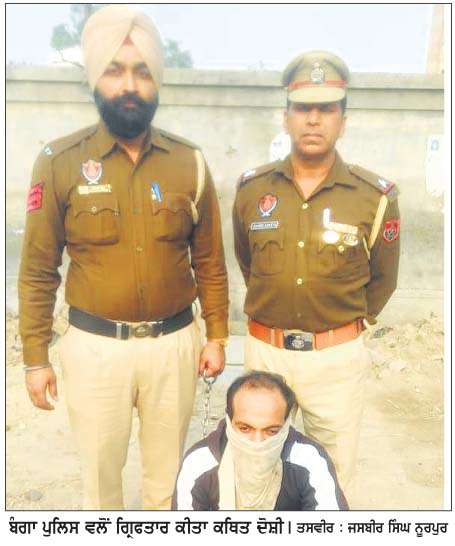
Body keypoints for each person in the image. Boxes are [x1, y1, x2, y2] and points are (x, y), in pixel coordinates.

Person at [18, 5, 229, 510]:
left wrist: (217, 334)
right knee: (100, 485)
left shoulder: (189, 162)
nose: (129, 85)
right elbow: (39, 270)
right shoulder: (59, 161)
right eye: (115, 70)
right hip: (95, 350)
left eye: (141, 71)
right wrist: (35, 357)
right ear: (95, 78)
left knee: (168, 484)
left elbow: (209, 259)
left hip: (174, 347)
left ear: (156, 81)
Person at [232, 50, 400, 499]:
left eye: (326, 109)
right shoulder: (252, 190)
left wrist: (343, 327)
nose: (313, 119)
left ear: (343, 120)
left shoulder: (373, 196)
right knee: (256, 471)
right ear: (285, 117)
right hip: (267, 354)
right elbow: (249, 264)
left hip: (336, 361)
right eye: (303, 108)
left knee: (333, 479)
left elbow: (383, 280)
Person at [172, 371, 347, 510]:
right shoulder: (199, 463)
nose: (257, 442)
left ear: (286, 426)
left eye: (271, 431)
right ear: (229, 422)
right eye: (245, 428)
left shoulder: (309, 460)